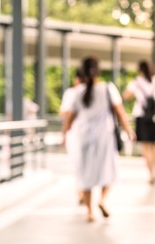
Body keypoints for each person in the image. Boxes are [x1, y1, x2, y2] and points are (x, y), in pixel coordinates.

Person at [62, 56, 135, 222]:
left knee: (85, 173)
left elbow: (70, 118)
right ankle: (102, 200)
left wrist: (64, 135)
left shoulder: (77, 92)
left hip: (83, 137)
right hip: (104, 137)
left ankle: (89, 212)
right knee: (108, 170)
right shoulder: (108, 88)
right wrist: (129, 130)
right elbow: (120, 112)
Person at [123, 60, 155, 185]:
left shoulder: (136, 82)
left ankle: (151, 174)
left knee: (146, 147)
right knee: (154, 146)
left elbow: (126, 96)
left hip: (141, 116)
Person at [60, 68, 85, 205]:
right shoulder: (97, 90)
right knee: (89, 165)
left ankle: (81, 192)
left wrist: (63, 134)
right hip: (92, 134)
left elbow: (65, 113)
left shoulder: (71, 93)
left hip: (74, 134)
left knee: (78, 165)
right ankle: (86, 192)